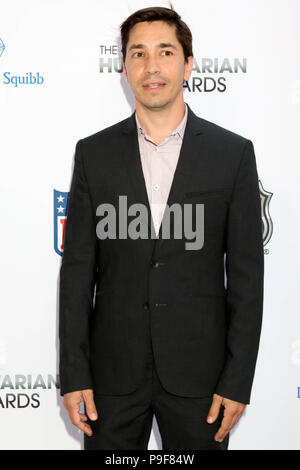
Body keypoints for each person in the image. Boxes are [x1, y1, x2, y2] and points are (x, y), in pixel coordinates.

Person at [59, 6, 264, 450]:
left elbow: (247, 280)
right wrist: (75, 374)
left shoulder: (233, 156)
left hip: (203, 381)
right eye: (138, 54)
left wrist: (237, 380)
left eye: (165, 52)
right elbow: (77, 274)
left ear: (188, 64)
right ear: (125, 67)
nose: (152, 66)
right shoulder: (93, 156)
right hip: (110, 381)